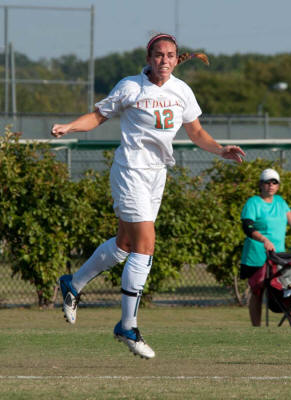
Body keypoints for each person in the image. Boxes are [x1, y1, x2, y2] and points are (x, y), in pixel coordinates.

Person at [51, 33, 245, 359]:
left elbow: (196, 132)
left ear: (177, 58)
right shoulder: (131, 87)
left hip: (157, 175)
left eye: (169, 55)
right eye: (158, 54)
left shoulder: (182, 91)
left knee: (124, 246)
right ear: (148, 57)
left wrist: (220, 149)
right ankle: (128, 326)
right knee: (145, 246)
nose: (164, 60)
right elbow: (97, 116)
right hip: (131, 171)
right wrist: (69, 126)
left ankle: (73, 283)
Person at [240, 168, 291, 327]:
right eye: (267, 182)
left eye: (274, 182)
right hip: (257, 256)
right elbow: (247, 226)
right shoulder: (253, 202)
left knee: (289, 289)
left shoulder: (280, 202)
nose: (271, 185)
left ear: (278, 185)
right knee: (257, 292)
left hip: (279, 256)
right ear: (260, 184)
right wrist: (264, 239)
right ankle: (256, 328)